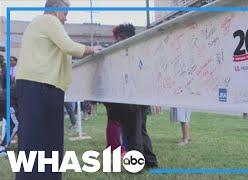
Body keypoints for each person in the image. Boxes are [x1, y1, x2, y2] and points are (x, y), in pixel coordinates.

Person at [15, 0, 102, 179]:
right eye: (65, 11)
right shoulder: (49, 21)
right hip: (41, 86)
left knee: (34, 138)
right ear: (55, 8)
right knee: (45, 139)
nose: (67, 16)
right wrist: (92, 49)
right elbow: (69, 47)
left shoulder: (38, 23)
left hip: (35, 86)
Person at [106, 24, 158, 168]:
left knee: (133, 133)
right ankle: (151, 162)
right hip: (138, 98)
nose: (115, 41)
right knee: (140, 131)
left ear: (124, 38)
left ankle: (136, 166)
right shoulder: (139, 52)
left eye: (118, 38)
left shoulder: (126, 55)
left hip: (131, 99)